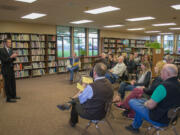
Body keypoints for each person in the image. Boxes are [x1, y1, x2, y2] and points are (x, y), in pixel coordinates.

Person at [126, 64, 180, 134]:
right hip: (172, 119)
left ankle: (135, 126)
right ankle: (134, 126)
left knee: (132, 101)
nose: (160, 73)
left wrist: (146, 104)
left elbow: (150, 106)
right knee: (142, 102)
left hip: (159, 119)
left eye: (162, 72)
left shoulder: (163, 87)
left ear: (167, 73)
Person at [61, 63, 114, 127]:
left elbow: (81, 100)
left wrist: (83, 89)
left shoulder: (91, 87)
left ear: (94, 73)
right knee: (77, 99)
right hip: (104, 111)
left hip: (93, 113)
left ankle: (72, 122)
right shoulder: (109, 83)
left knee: (75, 103)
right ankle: (69, 103)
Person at [0, 38, 20, 103]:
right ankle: (8, 98)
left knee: (13, 83)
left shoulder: (11, 50)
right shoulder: (1, 50)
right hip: (5, 69)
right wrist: (11, 57)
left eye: (10, 42)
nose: (10, 43)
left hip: (11, 68)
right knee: (7, 84)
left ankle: (13, 95)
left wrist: (15, 57)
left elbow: (11, 59)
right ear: (5, 43)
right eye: (9, 42)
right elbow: (4, 60)